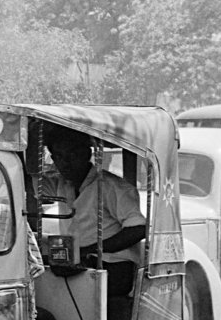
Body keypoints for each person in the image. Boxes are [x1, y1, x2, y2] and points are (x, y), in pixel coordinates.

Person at [40, 124, 146, 297]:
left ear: (86, 154)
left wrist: (90, 251)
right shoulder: (59, 183)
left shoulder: (113, 187)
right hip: (80, 263)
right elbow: (26, 183)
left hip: (114, 267)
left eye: (72, 155)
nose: (65, 163)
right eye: (59, 156)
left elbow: (138, 228)